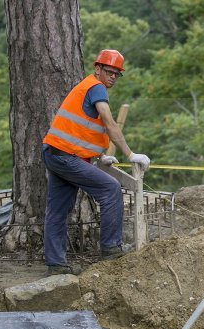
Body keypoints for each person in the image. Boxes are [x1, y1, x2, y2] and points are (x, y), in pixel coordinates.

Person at [41, 49, 150, 276]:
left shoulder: (87, 88)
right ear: (97, 68)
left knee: (58, 211)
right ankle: (111, 249)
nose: (112, 77)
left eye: (116, 74)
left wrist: (100, 156)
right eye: (109, 71)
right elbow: (109, 123)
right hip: (64, 156)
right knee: (110, 188)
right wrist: (131, 155)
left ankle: (56, 265)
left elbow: (83, 129)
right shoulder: (95, 88)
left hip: (56, 153)